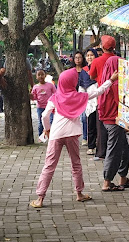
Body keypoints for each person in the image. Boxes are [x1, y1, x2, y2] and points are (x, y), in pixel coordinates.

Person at [29, 69, 119, 208]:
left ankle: (40, 198)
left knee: (49, 166)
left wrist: (47, 129)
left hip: (56, 134)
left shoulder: (55, 97)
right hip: (72, 134)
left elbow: (44, 116)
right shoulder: (79, 96)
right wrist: (111, 80)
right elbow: (98, 91)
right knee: (76, 164)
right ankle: (79, 194)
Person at [98, 55, 129, 191]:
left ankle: (123, 179)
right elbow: (123, 101)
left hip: (109, 119)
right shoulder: (115, 84)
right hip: (114, 120)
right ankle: (107, 182)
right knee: (114, 150)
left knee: (124, 149)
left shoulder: (106, 80)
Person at [89, 36, 117, 161]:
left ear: (102, 46)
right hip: (117, 96)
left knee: (100, 124)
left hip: (102, 94)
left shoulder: (97, 61)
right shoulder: (120, 60)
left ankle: (101, 152)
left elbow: (91, 76)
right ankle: (117, 151)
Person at [72, 51, 92, 146]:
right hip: (74, 97)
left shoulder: (86, 70)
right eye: (76, 57)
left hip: (85, 96)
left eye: (79, 57)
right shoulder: (71, 71)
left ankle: (85, 137)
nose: (78, 59)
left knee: (85, 118)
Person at [31, 70, 56, 136]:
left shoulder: (50, 85)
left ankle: (51, 134)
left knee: (51, 120)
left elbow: (55, 94)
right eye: (39, 75)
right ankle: (41, 136)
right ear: (36, 77)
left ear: (45, 75)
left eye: (42, 74)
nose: (41, 76)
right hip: (40, 107)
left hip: (50, 106)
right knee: (40, 122)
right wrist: (31, 96)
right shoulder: (35, 87)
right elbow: (34, 97)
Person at [83, 49, 99, 155]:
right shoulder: (84, 71)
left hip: (101, 98)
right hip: (89, 101)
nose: (89, 57)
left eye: (92, 55)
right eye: (87, 55)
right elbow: (82, 85)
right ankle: (91, 146)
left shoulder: (100, 67)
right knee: (91, 123)